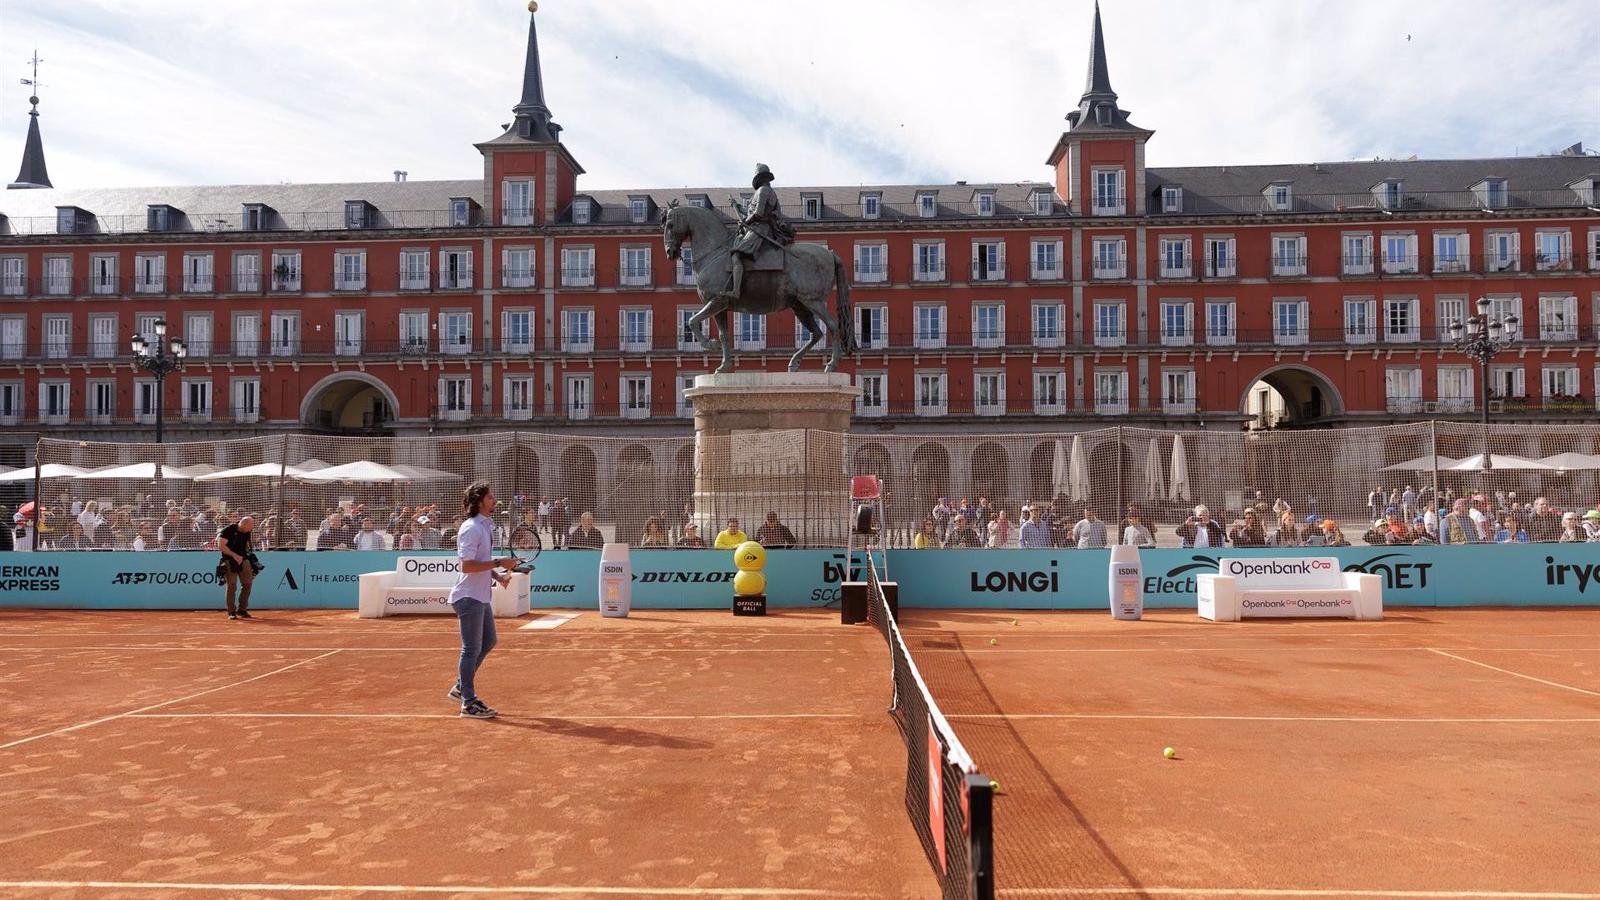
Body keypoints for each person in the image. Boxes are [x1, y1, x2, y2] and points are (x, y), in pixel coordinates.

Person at [447, 482, 520, 720]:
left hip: (479, 596)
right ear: (479, 501)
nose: (494, 499)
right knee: (470, 649)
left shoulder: (485, 526)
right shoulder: (471, 528)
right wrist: (499, 562)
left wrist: (498, 576)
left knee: (489, 641)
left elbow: (481, 560)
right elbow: (467, 565)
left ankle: (461, 685)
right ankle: (468, 703)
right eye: (490, 496)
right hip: (468, 597)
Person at [725, 163, 795, 301]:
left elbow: (758, 213)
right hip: (757, 226)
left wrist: (746, 222)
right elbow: (751, 211)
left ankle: (736, 291)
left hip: (761, 228)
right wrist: (737, 207)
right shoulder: (765, 191)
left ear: (758, 178)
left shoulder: (763, 191)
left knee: (736, 255)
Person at [217, 516, 257, 621]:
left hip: (243, 559)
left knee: (248, 583)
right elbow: (221, 545)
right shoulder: (229, 530)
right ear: (244, 524)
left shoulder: (247, 532)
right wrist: (234, 556)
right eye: (251, 525)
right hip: (229, 560)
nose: (252, 528)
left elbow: (246, 547)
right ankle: (231, 612)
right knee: (232, 585)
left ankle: (242, 609)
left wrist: (249, 559)